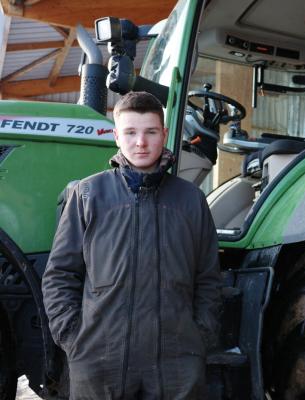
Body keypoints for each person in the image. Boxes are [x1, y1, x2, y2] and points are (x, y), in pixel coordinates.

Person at [42, 91, 221, 399]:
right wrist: (74, 338)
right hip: (99, 362)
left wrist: (199, 338)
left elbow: (208, 279)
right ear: (116, 136)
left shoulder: (190, 200)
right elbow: (59, 275)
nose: (141, 142)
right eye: (131, 132)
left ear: (164, 135)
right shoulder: (88, 195)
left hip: (176, 365)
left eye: (151, 132)